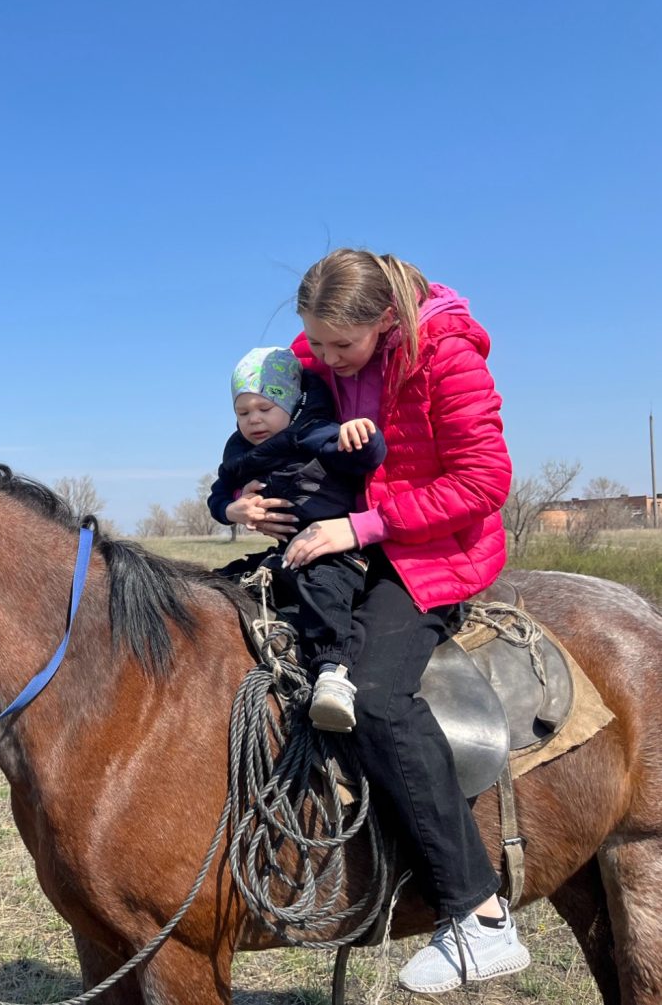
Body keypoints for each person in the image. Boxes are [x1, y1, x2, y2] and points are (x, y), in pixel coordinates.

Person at [227, 249, 524, 993]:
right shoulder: (312, 360)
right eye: (314, 343)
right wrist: (240, 504)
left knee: (374, 691)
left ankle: (480, 914)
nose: (320, 359)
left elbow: (484, 480)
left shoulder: (448, 358)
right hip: (345, 539)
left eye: (339, 347)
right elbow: (269, 440)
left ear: (386, 321)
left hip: (433, 551)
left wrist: (359, 528)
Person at [208, 346, 386, 732]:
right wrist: (233, 510)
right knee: (220, 581)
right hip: (284, 552)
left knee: (324, 589)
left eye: (265, 408)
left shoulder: (316, 433)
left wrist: (362, 435)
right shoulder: (242, 454)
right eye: (243, 412)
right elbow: (219, 494)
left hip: (335, 551)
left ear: (291, 403)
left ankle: (333, 675)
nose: (254, 420)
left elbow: (366, 458)